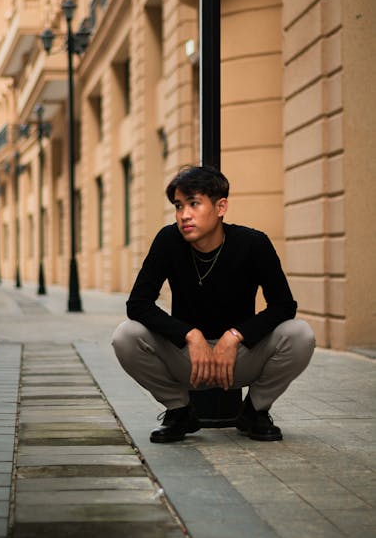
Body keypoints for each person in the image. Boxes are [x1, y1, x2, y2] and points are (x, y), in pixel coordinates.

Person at [112, 165, 315, 444]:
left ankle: (254, 411)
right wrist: (189, 335)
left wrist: (236, 336)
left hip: (238, 358)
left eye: (194, 203)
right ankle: (179, 411)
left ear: (221, 207)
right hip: (188, 360)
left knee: (300, 334)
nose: (184, 214)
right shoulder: (168, 241)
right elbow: (138, 304)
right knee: (125, 336)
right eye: (179, 206)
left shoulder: (253, 243)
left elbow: (283, 306)